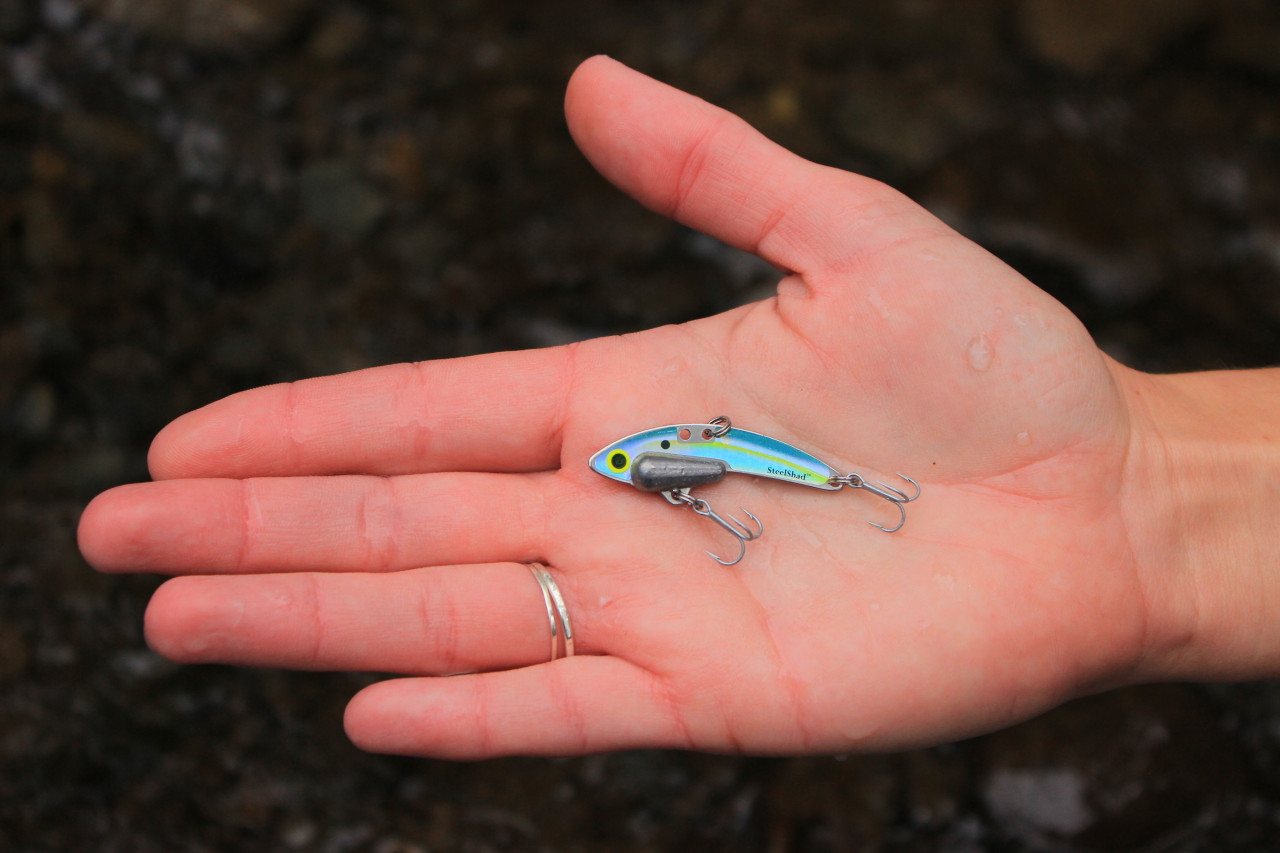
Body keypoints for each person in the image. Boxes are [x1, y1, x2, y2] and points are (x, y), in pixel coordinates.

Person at [77, 56, 1280, 760]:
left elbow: (692, 459)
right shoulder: (662, 461)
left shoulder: (709, 459)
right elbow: (666, 462)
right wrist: (1150, 491)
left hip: (753, 464)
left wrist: (1136, 495)